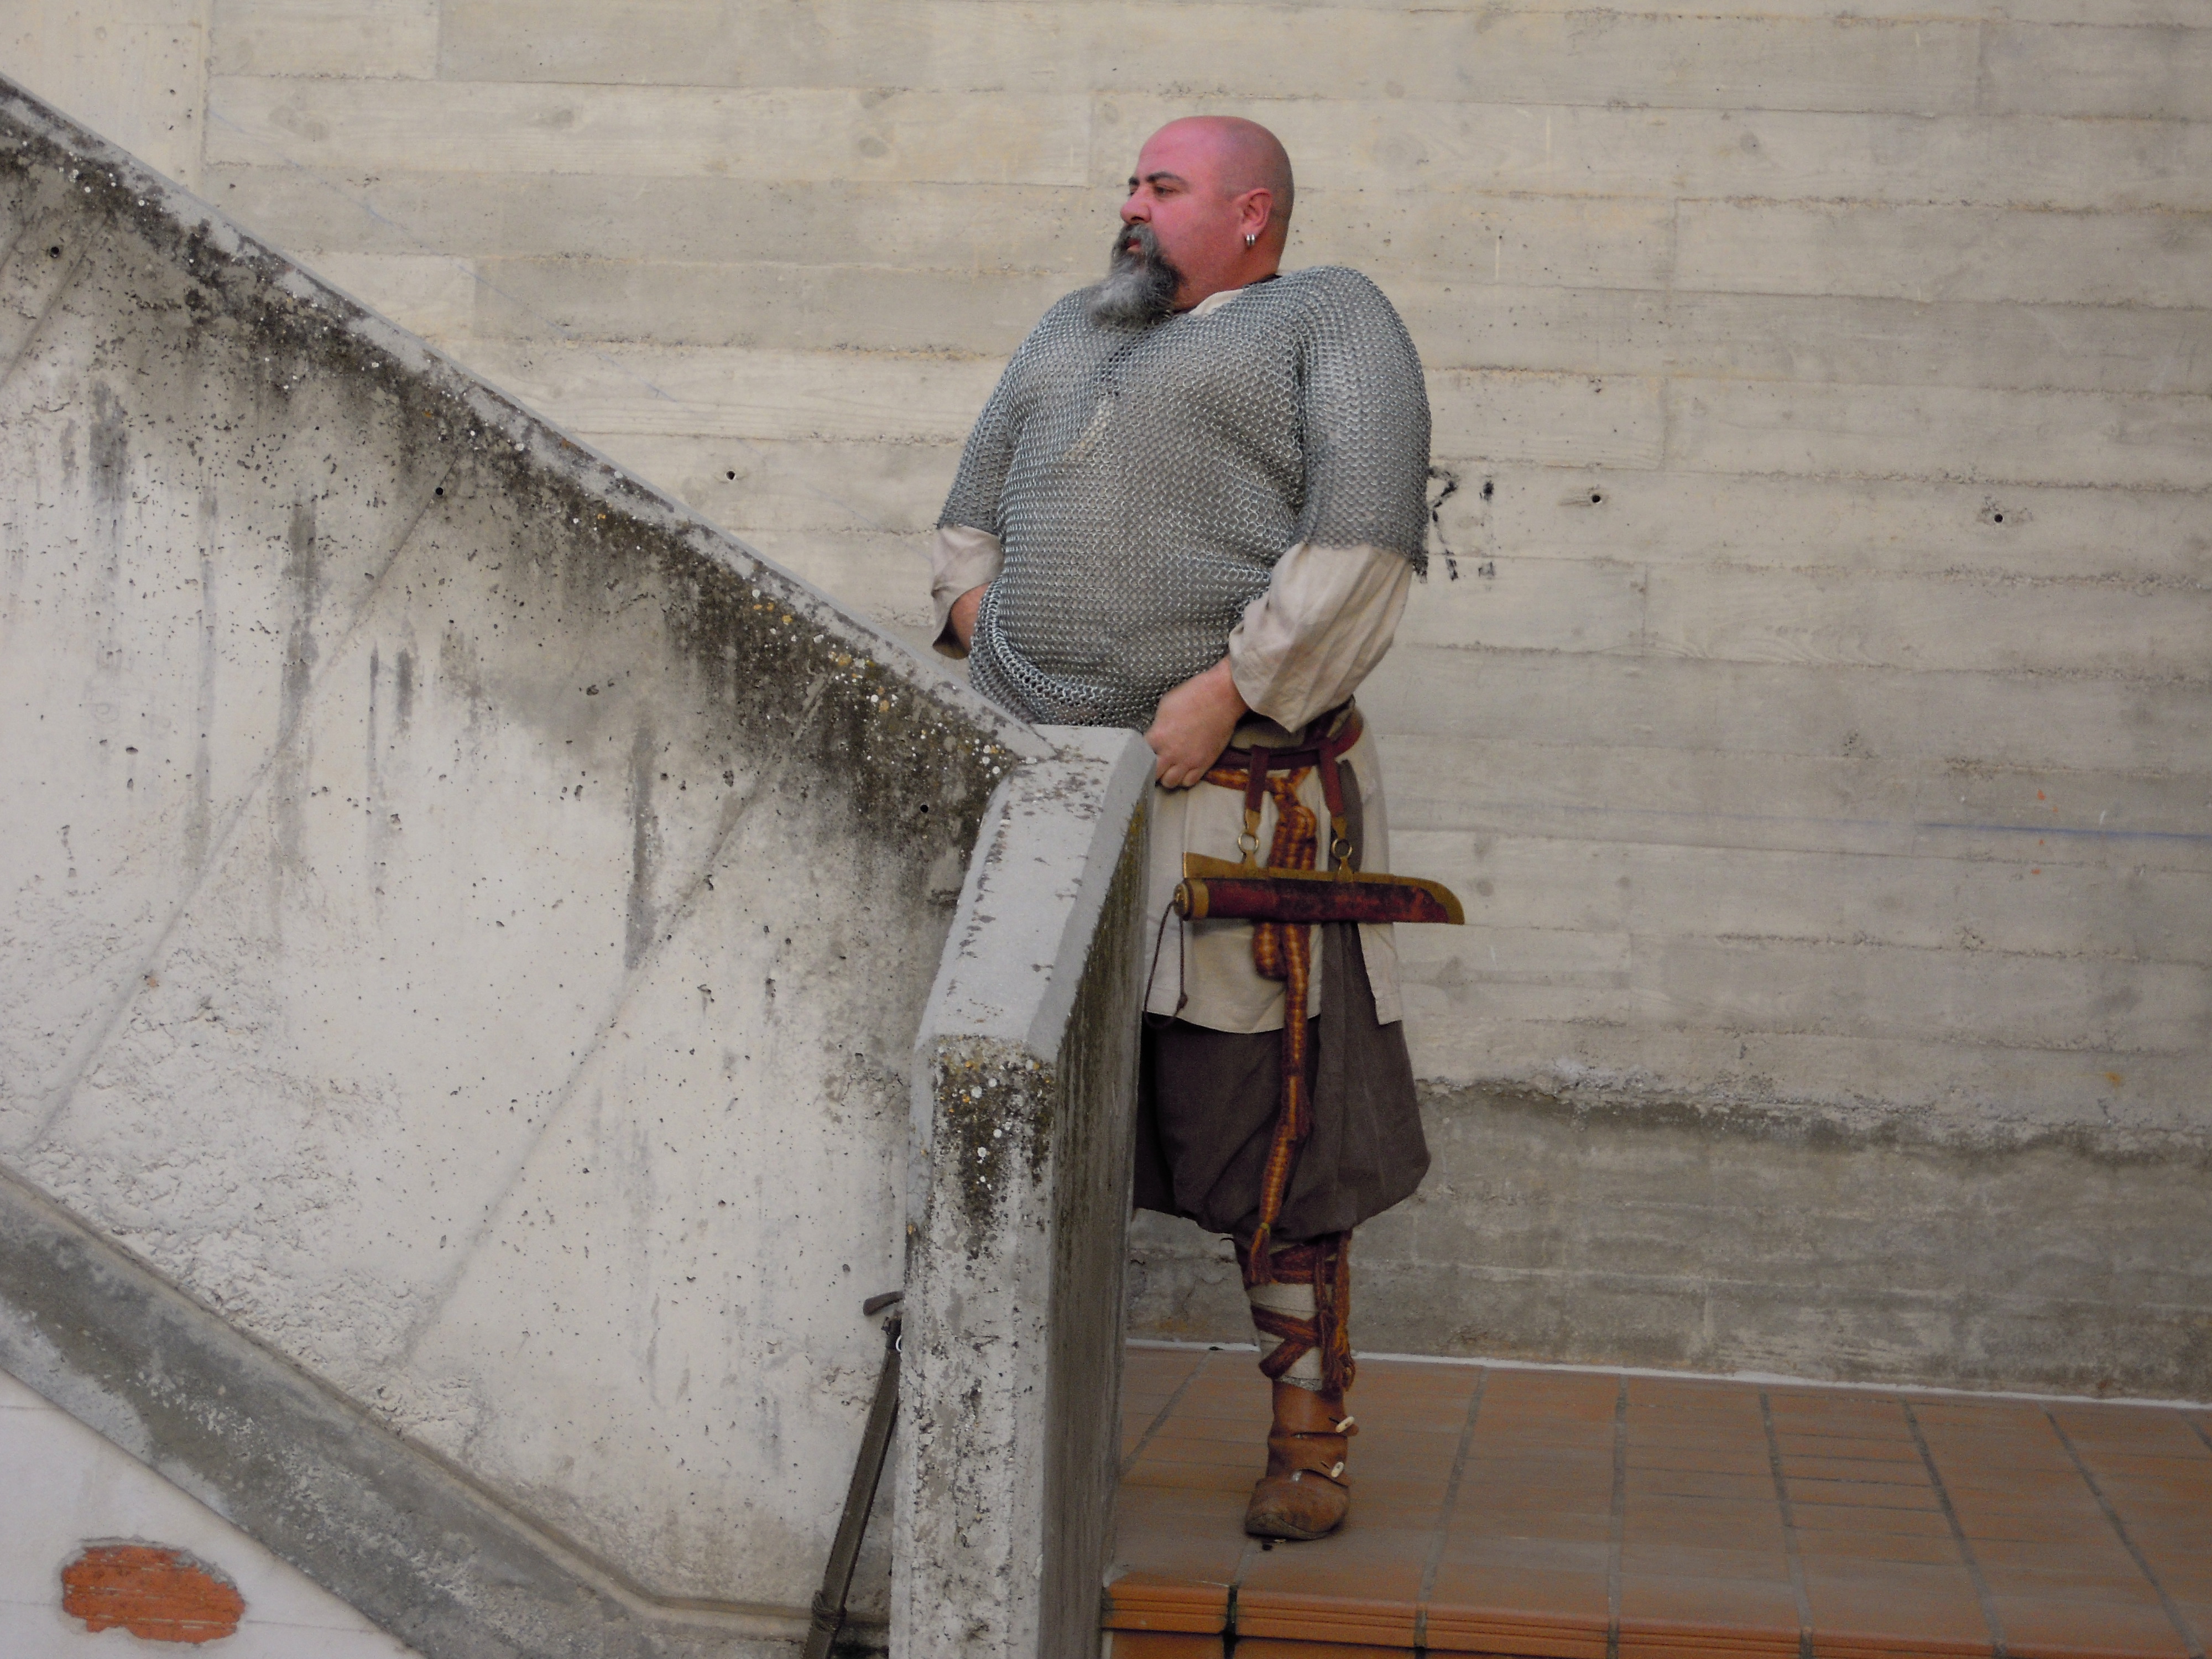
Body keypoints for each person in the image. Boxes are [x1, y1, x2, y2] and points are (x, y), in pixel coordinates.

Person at [928, 115, 1432, 1542]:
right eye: (1131, 183)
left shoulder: (1330, 323)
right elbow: (968, 524)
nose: (1130, 203)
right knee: (1027, 1099)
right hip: (1054, 795)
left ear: (1252, 211)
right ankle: (1000, 1425)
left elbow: (1360, 548)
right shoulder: (1073, 327)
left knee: (1266, 1123)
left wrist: (1231, 691)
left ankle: (1309, 1432)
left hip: (1236, 808)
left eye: (1162, 185)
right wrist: (997, 633)